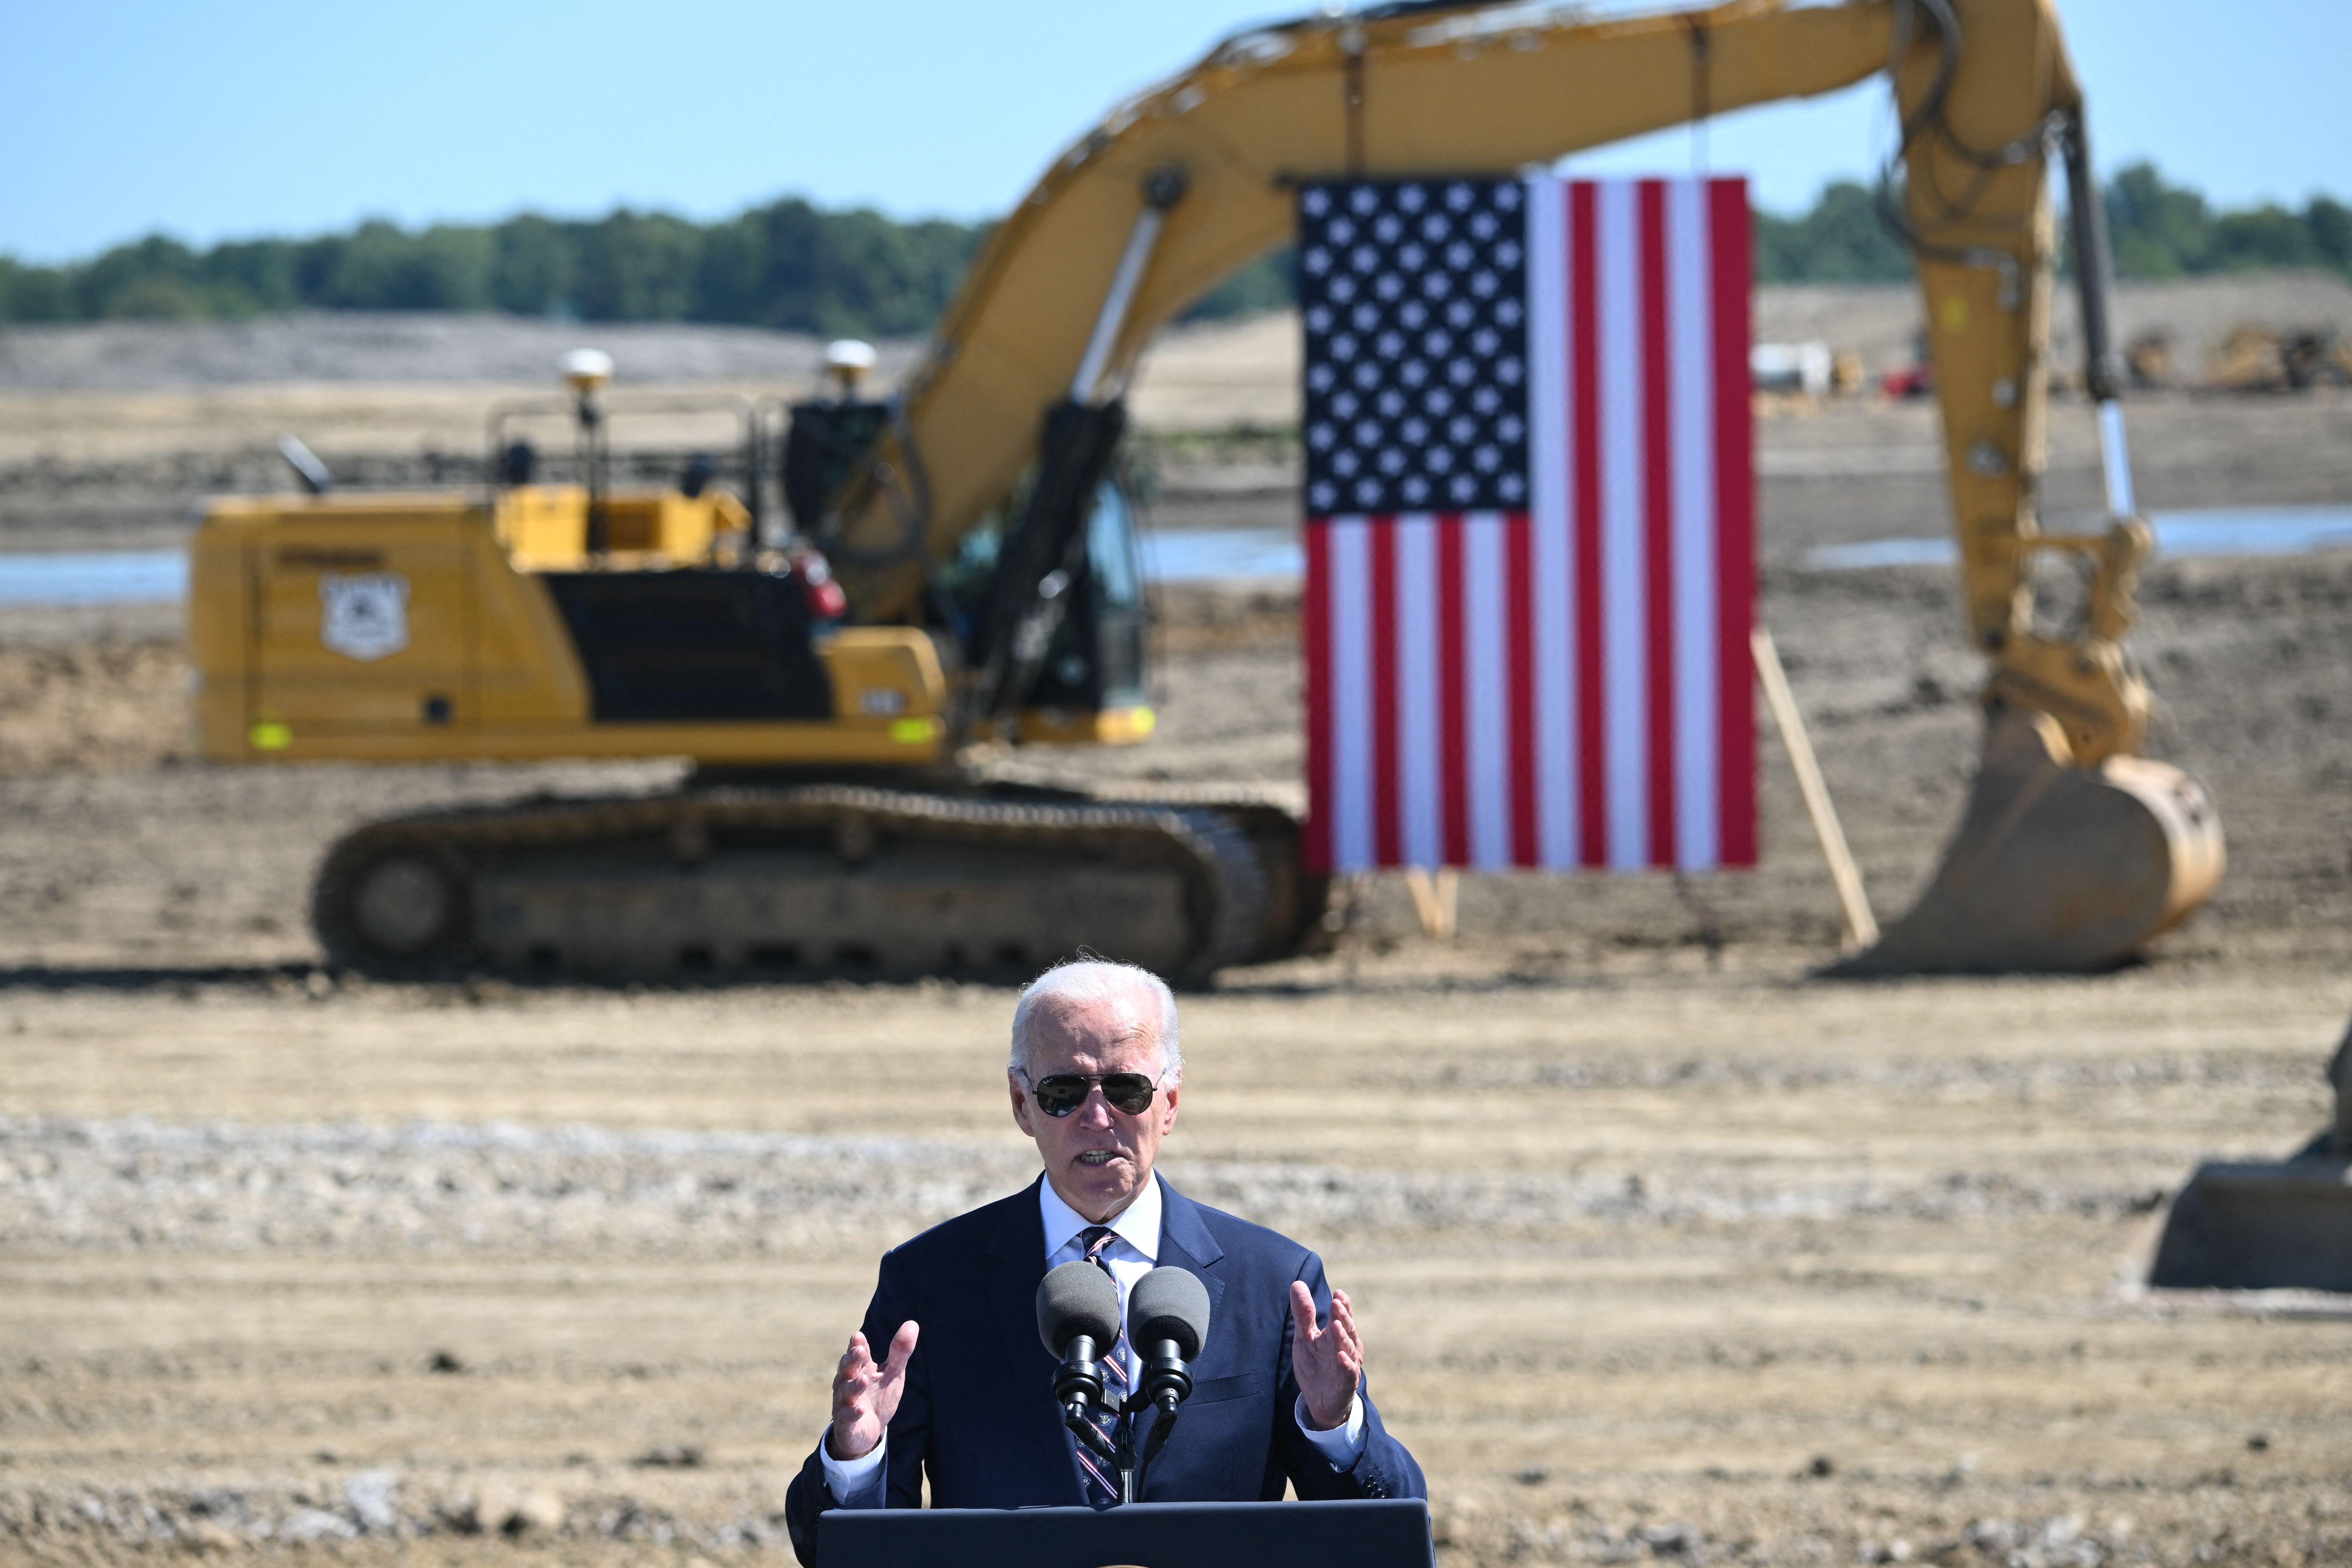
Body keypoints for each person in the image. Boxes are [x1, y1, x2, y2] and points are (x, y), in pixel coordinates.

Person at [783, 958, 1424, 1562]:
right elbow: (838, 1549)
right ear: (1021, 1104)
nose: (1098, 1117)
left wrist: (1333, 1425)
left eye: (1127, 1089)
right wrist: (857, 1454)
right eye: (1064, 1091)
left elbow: (1384, 1535)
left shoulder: (1275, 1283)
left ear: (1169, 1103)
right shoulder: (930, 1285)